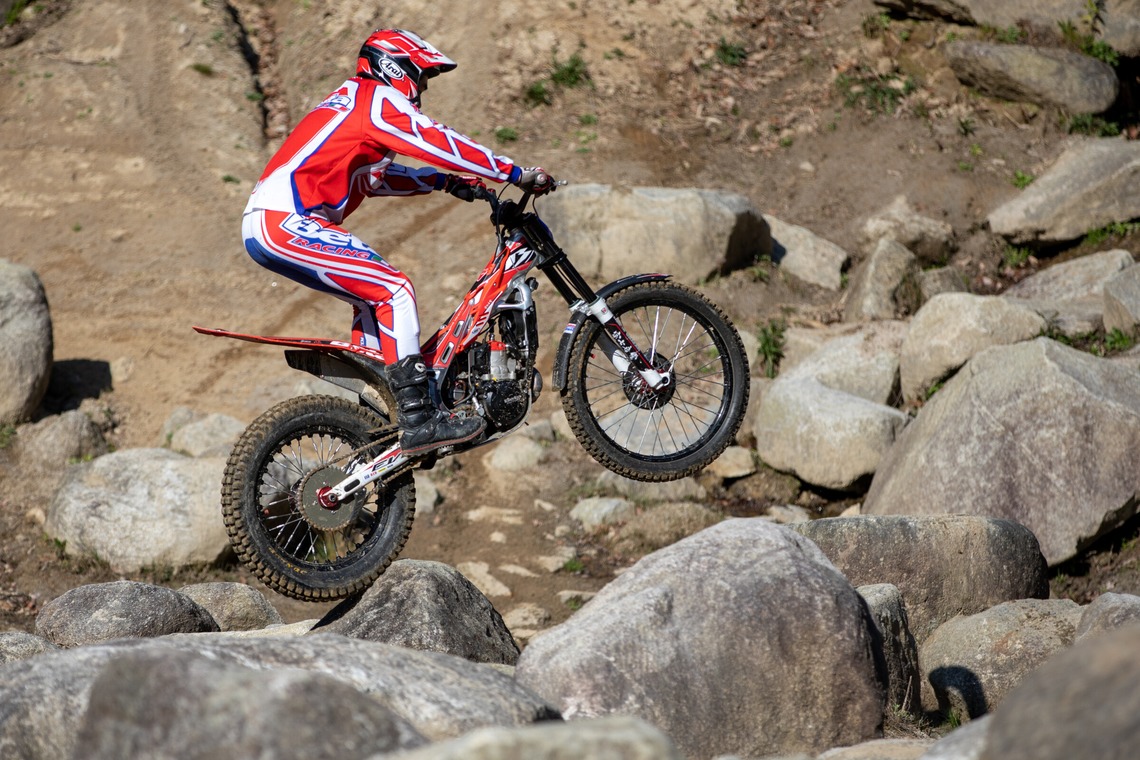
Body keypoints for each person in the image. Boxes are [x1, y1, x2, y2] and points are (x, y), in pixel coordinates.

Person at [242, 29, 556, 455]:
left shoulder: (354, 102)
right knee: (395, 292)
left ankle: (376, 416)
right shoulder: (375, 99)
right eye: (421, 77)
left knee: (374, 300)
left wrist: (443, 182)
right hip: (288, 222)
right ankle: (417, 420)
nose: (422, 89)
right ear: (396, 67)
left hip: (275, 223)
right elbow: (437, 140)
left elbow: (373, 178)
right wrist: (513, 173)